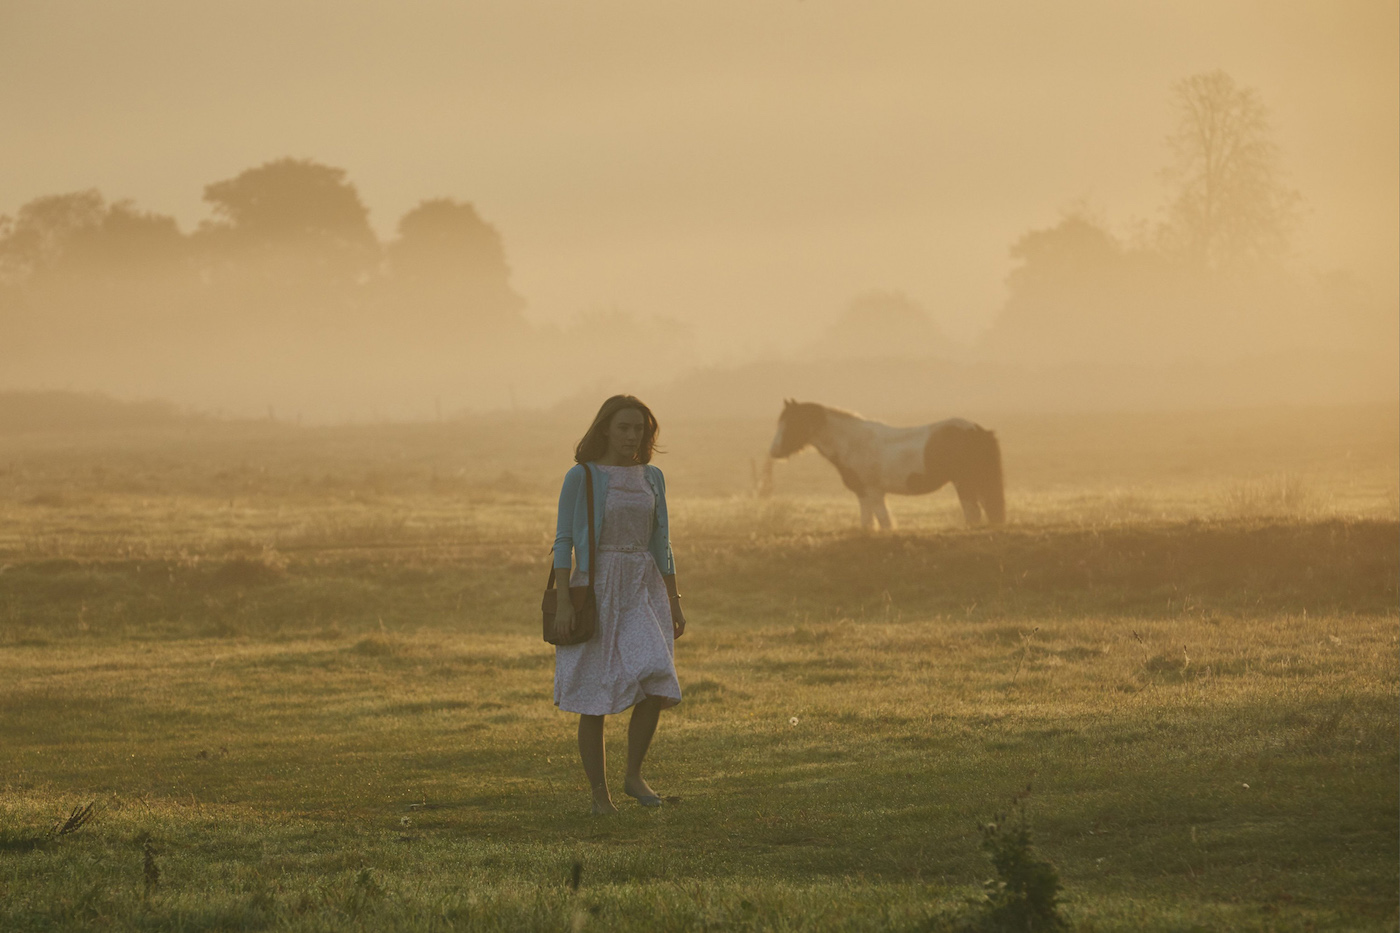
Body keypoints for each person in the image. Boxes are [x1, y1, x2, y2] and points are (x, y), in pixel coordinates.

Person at [552, 395, 687, 814]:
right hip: (596, 587)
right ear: (606, 428)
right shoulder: (583, 477)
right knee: (594, 696)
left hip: (641, 586)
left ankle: (633, 775)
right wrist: (563, 603)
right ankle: (599, 797)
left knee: (656, 677)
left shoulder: (653, 477)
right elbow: (563, 541)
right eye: (624, 427)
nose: (632, 436)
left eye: (640, 430)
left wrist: (673, 598)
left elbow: (661, 541)